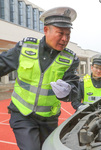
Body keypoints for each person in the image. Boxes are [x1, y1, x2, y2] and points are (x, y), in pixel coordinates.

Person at [0, 7, 79, 150]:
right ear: (46, 30)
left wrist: (68, 91)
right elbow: (2, 64)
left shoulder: (70, 59)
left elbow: (74, 87)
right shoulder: (25, 49)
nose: (65, 39)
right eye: (60, 33)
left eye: (68, 35)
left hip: (49, 119)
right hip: (22, 115)